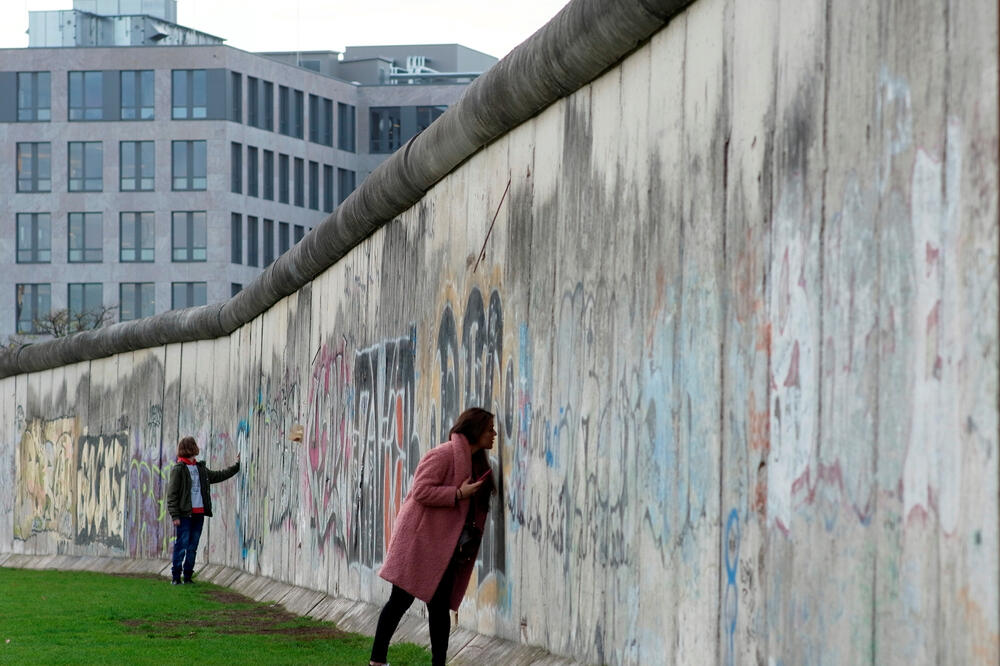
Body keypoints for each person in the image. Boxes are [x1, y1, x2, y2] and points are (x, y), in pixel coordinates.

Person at [370, 407, 497, 666]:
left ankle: (438, 663)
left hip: (444, 550)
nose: (494, 434)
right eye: (489, 429)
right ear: (475, 431)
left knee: (439, 609)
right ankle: (377, 660)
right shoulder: (443, 454)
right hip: (418, 544)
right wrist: (458, 494)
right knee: (399, 601)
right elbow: (420, 491)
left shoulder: (477, 463)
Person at [166, 436, 241, 585]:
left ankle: (187, 576)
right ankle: (176, 577)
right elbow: (172, 494)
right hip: (184, 514)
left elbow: (218, 475)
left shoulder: (200, 468)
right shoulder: (179, 469)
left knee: (193, 546)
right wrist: (175, 515)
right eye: (194, 445)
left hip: (199, 513)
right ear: (190, 448)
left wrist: (236, 466)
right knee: (182, 544)